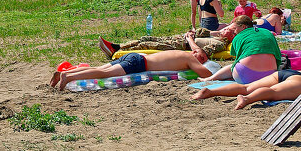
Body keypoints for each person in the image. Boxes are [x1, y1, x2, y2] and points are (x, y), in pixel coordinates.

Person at [98, 16, 251, 60]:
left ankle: (114, 51)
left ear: (234, 34)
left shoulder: (221, 45)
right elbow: (200, 32)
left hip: (180, 46)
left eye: (229, 30)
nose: (224, 30)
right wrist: (214, 32)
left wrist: (190, 39)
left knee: (146, 44)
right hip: (177, 39)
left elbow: (201, 56)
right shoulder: (216, 36)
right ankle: (117, 46)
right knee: (145, 38)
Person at [51, 49, 215, 89]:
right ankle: (69, 78)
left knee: (99, 68)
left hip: (135, 56)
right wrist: (214, 69)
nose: (199, 60)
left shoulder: (182, 53)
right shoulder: (189, 58)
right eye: (200, 57)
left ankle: (65, 73)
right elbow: (206, 74)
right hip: (138, 63)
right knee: (104, 73)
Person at [206, 22, 282, 85]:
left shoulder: (238, 37)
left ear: (243, 27)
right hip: (270, 76)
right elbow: (278, 57)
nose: (234, 33)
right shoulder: (267, 32)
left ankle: (210, 78)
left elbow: (236, 60)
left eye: (234, 30)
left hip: (244, 75)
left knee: (232, 66)